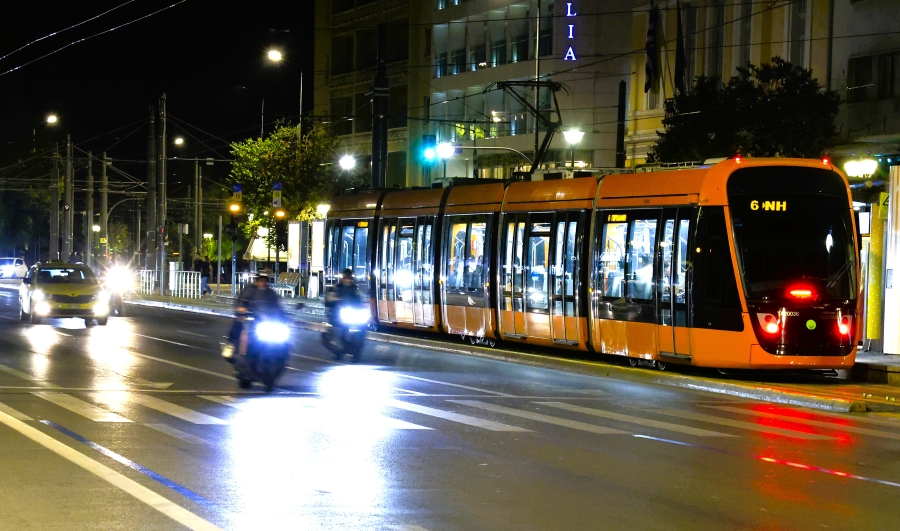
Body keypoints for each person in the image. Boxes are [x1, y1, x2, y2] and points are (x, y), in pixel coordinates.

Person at [230, 274, 282, 357]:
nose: (263, 282)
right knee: (244, 331)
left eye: (265, 280)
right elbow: (242, 301)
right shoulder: (249, 291)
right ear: (257, 281)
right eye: (261, 280)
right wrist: (242, 309)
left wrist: (283, 317)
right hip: (251, 318)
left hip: (267, 321)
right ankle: (239, 351)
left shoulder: (271, 293)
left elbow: (277, 306)